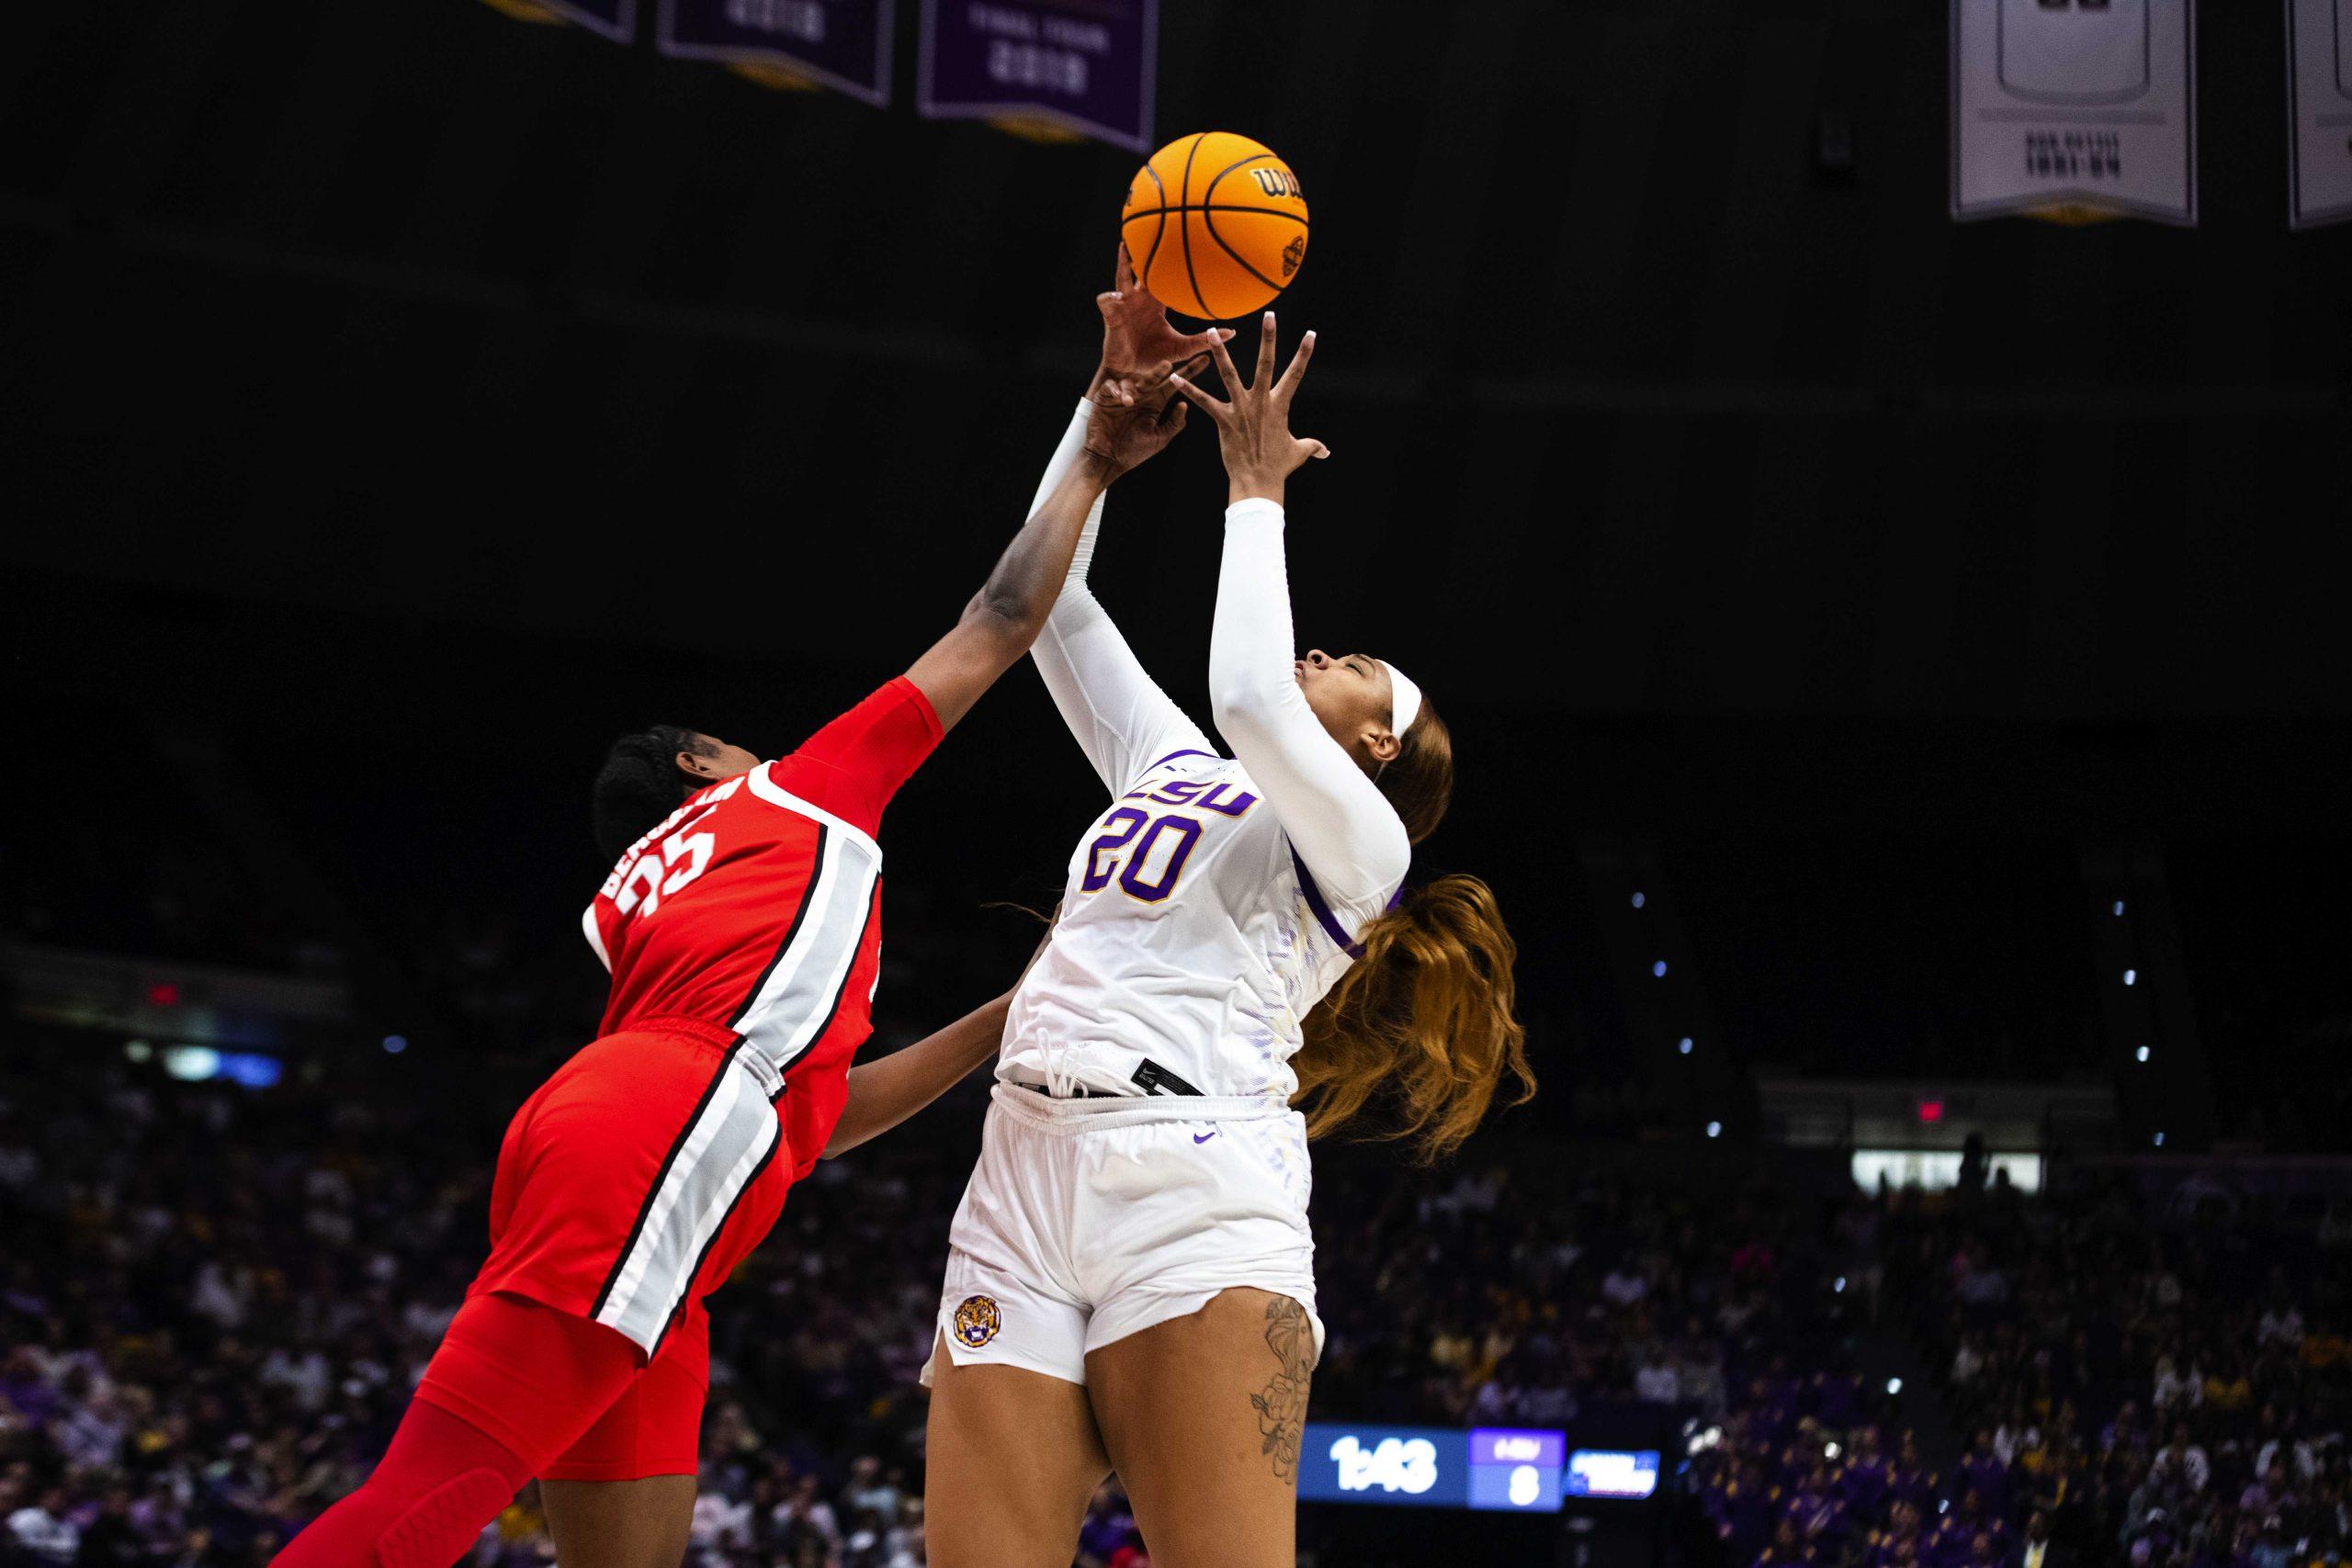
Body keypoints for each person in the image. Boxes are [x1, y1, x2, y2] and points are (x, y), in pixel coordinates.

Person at [269, 297, 1211, 1568]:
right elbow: (999, 618)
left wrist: (1009, 1011)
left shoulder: (635, 901)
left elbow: (814, 1116)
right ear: (705, 761)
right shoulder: (791, 790)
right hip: (671, 1121)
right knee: (438, 1486)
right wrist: (1097, 454)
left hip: (639, 1115)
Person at [922, 282, 1532, 1568]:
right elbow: (1052, 608)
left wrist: (1256, 491)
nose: (1329, 655)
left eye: (1358, 663)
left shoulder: (1366, 852)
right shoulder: (1176, 767)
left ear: (1379, 744)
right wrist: (1095, 433)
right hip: (1017, 1173)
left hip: (1190, 1188)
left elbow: (1251, 688)